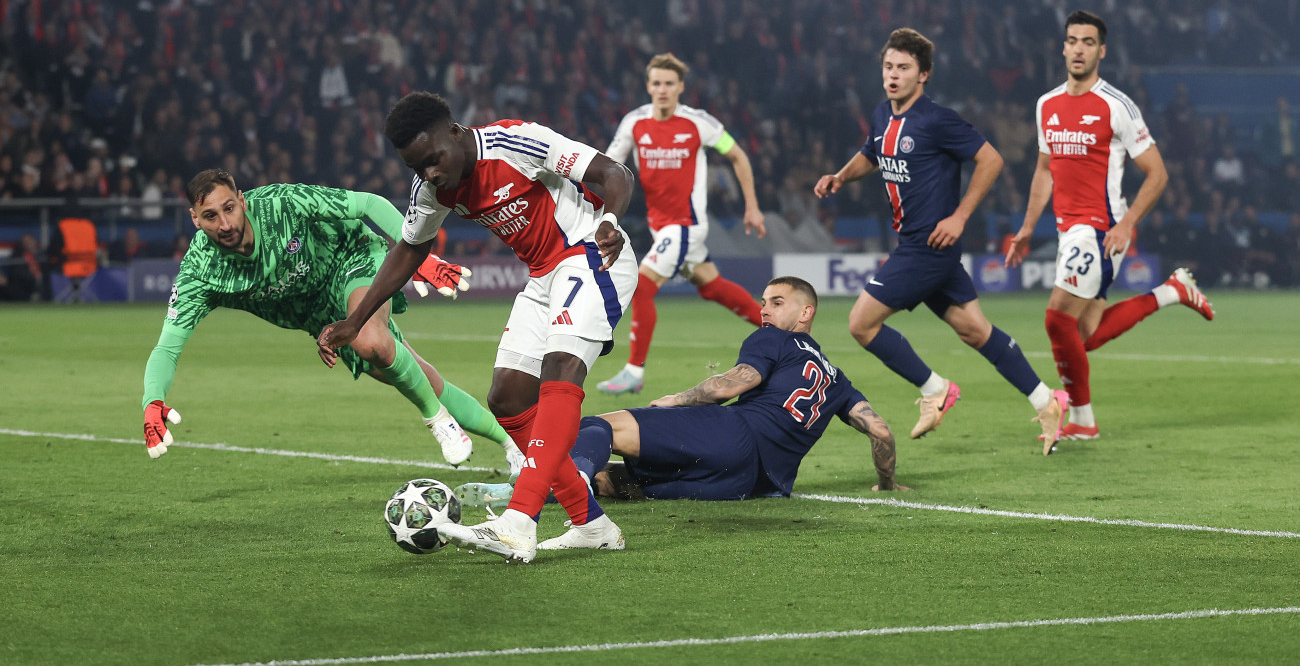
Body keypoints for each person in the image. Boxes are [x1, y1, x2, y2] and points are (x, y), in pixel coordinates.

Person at [317, 92, 639, 563]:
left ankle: (519, 521)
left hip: (592, 254)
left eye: (432, 160)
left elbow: (615, 173)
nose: (429, 173)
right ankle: (589, 522)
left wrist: (609, 220)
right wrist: (355, 320)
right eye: (416, 167)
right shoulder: (431, 190)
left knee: (562, 370)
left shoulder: (517, 142)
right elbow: (409, 249)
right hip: (544, 275)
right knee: (507, 399)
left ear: (455, 131)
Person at [141, 168, 523, 474]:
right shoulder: (200, 272)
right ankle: (513, 446)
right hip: (322, 320)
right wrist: (151, 400)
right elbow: (167, 347)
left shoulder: (281, 203)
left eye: (229, 208)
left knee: (371, 342)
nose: (224, 223)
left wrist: (416, 254)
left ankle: (436, 420)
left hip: (352, 258)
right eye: (210, 216)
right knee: (422, 378)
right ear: (195, 219)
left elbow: (368, 204)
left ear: (242, 201)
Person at [814, 28, 1068, 454]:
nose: (893, 75)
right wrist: (840, 175)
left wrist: (959, 216)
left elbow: (991, 159)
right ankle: (1047, 400)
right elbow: (871, 154)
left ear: (923, 75)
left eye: (904, 68)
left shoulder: (937, 120)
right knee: (974, 330)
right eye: (888, 67)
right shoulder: (882, 116)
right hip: (918, 244)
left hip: (927, 247)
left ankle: (936, 390)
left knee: (861, 323)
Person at [455, 277, 906, 511]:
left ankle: (534, 503)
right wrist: (886, 483)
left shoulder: (777, 341)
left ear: (806, 312)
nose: (764, 310)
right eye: (763, 301)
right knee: (622, 482)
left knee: (598, 426)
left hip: (733, 434)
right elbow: (881, 431)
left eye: (776, 302)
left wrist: (677, 399)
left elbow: (736, 383)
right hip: (751, 484)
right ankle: (523, 491)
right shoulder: (837, 378)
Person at [1005, 11, 1215, 441]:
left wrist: (1127, 224)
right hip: (1069, 232)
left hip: (1101, 229)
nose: (1078, 48)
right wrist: (1028, 227)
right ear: (1063, 47)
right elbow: (1045, 170)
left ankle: (1081, 419)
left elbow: (1157, 173)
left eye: (1088, 42)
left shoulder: (1116, 105)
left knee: (1056, 319)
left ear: (1102, 51)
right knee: (1086, 334)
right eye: (1072, 40)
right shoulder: (1047, 104)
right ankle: (1170, 292)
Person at [597, 52, 767, 396]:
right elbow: (610, 166)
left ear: (680, 88)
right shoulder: (634, 123)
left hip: (686, 225)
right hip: (662, 226)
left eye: (669, 84)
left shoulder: (698, 123)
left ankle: (634, 370)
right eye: (656, 83)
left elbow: (736, 154)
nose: (662, 90)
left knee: (643, 285)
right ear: (648, 86)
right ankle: (782, 330)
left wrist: (751, 205)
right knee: (711, 286)